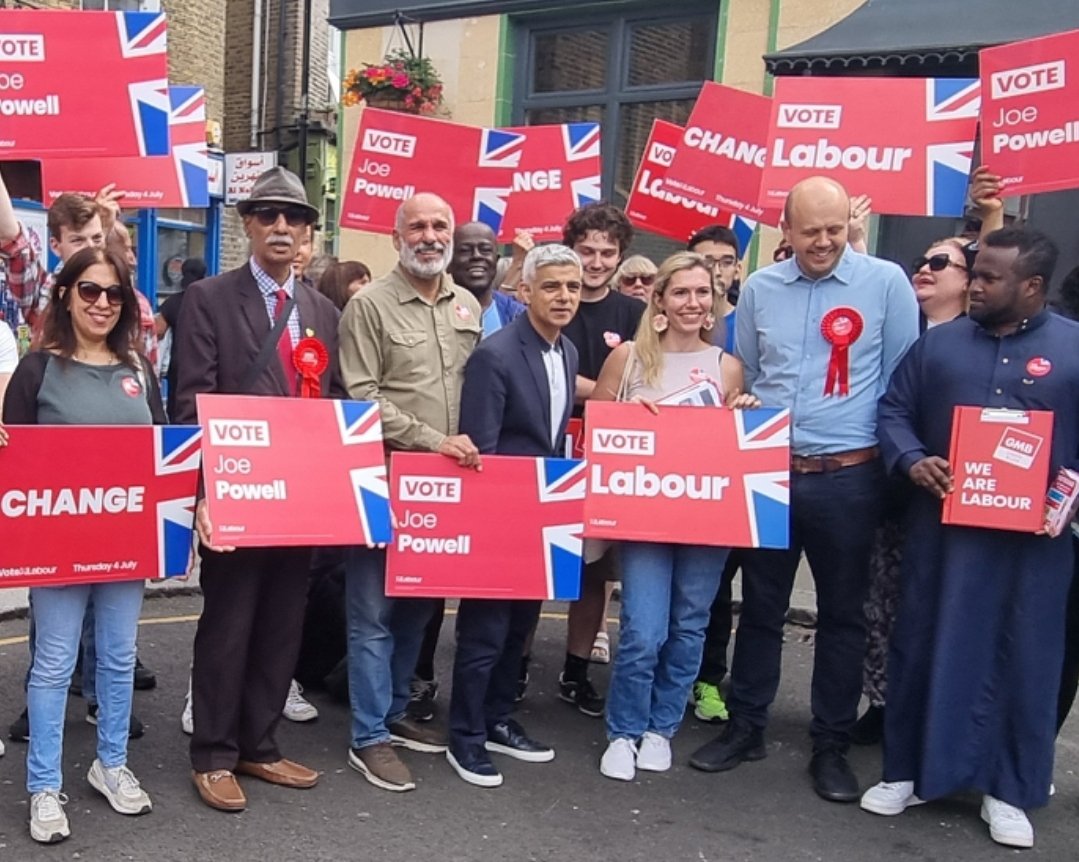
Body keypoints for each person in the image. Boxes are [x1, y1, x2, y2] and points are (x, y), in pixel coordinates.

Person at [689, 177, 918, 803]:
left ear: (850, 224)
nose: (824, 242)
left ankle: (831, 745)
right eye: (810, 230)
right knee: (759, 608)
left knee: (844, 616)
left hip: (851, 476)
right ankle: (747, 727)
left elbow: (902, 379)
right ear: (784, 230)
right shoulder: (760, 289)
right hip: (773, 471)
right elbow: (753, 374)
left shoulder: (886, 284)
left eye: (835, 229)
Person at [861, 227, 1079, 849]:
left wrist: (1071, 494)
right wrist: (910, 459)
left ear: (1032, 287)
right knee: (923, 639)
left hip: (1034, 544)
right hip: (943, 534)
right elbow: (893, 410)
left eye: (989, 277)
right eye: (974, 272)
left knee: (1027, 658)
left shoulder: (1073, 348)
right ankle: (906, 771)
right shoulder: (941, 346)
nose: (974, 285)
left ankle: (1009, 790)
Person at [175, 166, 341, 812]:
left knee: (281, 625)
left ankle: (258, 744)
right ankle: (213, 752)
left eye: (292, 217)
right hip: (238, 492)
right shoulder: (210, 299)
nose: (280, 226)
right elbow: (192, 402)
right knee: (229, 623)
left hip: (301, 498)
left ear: (305, 231)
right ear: (246, 224)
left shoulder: (324, 310)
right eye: (267, 215)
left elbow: (335, 405)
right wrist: (203, 495)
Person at [2, 247, 161, 843]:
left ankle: (110, 764)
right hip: (56, 542)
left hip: (124, 540)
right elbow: (13, 460)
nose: (101, 302)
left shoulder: (139, 369)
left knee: (119, 659)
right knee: (53, 663)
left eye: (113, 293)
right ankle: (44, 785)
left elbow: (163, 455)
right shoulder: (37, 370)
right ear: (65, 293)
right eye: (89, 290)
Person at [590, 252, 759, 781]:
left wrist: (743, 418)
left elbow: (739, 447)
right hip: (646, 513)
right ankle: (623, 730)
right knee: (643, 628)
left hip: (707, 515)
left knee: (690, 625)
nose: (693, 303)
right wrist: (625, 417)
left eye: (703, 292)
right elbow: (595, 430)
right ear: (658, 299)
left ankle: (661, 727)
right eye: (681, 292)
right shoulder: (629, 361)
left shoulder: (727, 366)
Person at [337, 192, 481, 792]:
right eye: (416, 226)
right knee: (371, 614)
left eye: (438, 225)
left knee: (420, 607)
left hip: (444, 487)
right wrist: (432, 439)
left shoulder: (468, 305)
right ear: (397, 237)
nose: (429, 235)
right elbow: (360, 394)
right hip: (383, 474)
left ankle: (394, 712)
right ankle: (368, 735)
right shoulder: (368, 306)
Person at [447, 243, 582, 787]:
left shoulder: (568, 352)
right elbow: (481, 447)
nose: (564, 296)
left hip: (542, 514)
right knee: (485, 633)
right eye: (551, 286)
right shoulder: (495, 354)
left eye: (571, 287)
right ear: (523, 292)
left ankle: (499, 719)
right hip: (499, 514)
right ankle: (466, 738)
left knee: (521, 629)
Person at [852, 237, 973, 745]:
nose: (925, 268)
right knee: (882, 604)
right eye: (922, 260)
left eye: (941, 263)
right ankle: (883, 703)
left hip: (971, 504)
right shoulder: (904, 328)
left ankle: (941, 713)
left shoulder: (986, 337)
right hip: (899, 492)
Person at [406, 223, 526, 723]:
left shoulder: (516, 312)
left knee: (491, 591)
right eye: (468, 249)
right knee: (428, 586)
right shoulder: (437, 307)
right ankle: (419, 678)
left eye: (487, 250)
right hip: (439, 459)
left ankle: (489, 692)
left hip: (499, 468)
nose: (477, 257)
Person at [557, 202, 644, 716]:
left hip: (609, 454)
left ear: (620, 257)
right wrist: (604, 390)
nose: (594, 261)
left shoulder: (634, 315)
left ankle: (575, 669)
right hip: (551, 445)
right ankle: (518, 669)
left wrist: (593, 394)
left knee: (595, 572)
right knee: (539, 566)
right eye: (585, 250)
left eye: (606, 252)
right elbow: (540, 367)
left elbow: (641, 380)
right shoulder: (550, 297)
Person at [448, 221, 525, 337]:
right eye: (465, 250)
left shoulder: (519, 316)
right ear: (449, 263)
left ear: (497, 259)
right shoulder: (433, 314)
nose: (476, 256)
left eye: (485, 250)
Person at [156, 257, 207, 420]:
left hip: (179, 365)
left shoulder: (173, 302)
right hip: (206, 362)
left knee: (177, 411)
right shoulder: (211, 299)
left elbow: (157, 331)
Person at [686, 226, 741, 352]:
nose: (716, 272)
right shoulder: (674, 320)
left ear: (737, 270)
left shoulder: (747, 324)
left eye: (726, 262)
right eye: (707, 262)